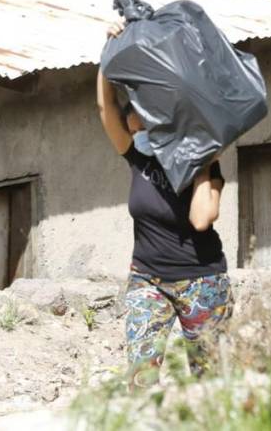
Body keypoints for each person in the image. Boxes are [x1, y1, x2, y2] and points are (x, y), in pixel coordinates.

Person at [96, 20, 233, 387]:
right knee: (140, 378)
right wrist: (107, 52)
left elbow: (201, 219)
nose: (136, 135)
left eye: (142, 129)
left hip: (201, 281)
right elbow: (104, 107)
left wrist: (203, 160)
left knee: (210, 384)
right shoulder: (136, 158)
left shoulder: (202, 164)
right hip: (147, 278)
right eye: (132, 130)